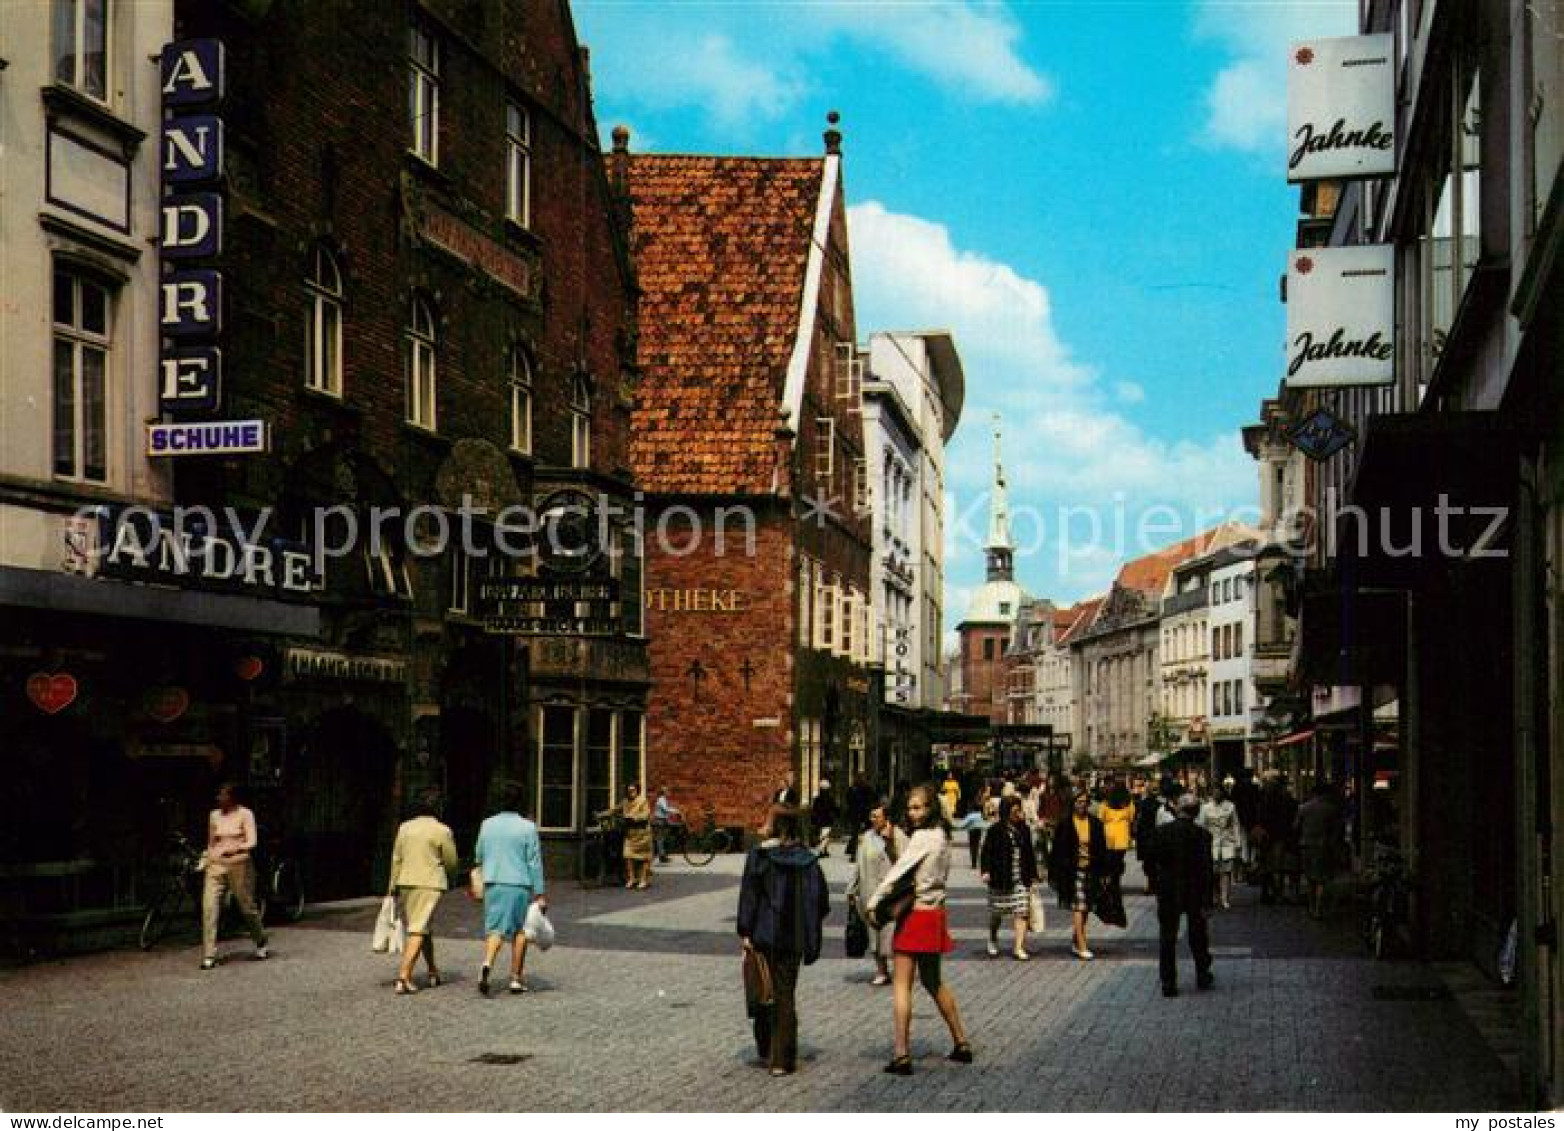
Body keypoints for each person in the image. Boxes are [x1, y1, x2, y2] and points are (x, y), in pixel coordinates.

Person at [865, 783, 972, 1076]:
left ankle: (901, 1053)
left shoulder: (923, 837)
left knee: (901, 985)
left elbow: (898, 873)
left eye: (918, 807)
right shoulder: (942, 836)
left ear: (930, 808)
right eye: (910, 807)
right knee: (934, 982)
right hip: (935, 914)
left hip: (915, 916)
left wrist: (874, 902)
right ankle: (961, 1042)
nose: (913, 813)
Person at [736, 806, 830, 1077]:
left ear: (777, 827)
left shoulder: (760, 857)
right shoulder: (809, 861)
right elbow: (821, 902)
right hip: (795, 936)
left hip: (765, 933)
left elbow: (749, 897)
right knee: (785, 993)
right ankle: (782, 1058)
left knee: (764, 991)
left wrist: (745, 932)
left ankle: (767, 1048)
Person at [474, 781, 548, 996]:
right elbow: (534, 861)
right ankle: (516, 978)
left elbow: (479, 854)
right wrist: (540, 892)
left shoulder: (486, 824)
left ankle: (487, 962)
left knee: (494, 928)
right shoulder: (527, 827)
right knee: (520, 930)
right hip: (519, 884)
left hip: (493, 882)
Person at [387, 787, 459, 994]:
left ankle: (432, 970)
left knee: (422, 925)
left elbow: (396, 858)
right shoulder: (442, 830)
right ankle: (404, 976)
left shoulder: (405, 828)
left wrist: (392, 886)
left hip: (406, 881)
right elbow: (451, 860)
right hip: (430, 883)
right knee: (419, 928)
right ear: (438, 806)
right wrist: (452, 879)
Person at [1144, 794, 1215, 997]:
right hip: (1195, 891)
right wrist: (1208, 899)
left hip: (1168, 890)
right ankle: (1202, 972)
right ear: (1197, 812)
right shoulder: (1203, 835)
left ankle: (1168, 981)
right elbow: (1207, 870)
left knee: (1167, 936)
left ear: (1177, 810)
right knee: (1198, 934)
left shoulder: (1161, 833)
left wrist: (1157, 881)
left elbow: (1149, 862)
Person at [200, 783, 269, 969]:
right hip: (216, 865)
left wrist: (234, 849)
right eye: (218, 795)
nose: (219, 798)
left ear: (232, 798)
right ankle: (209, 954)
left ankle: (260, 940)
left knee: (246, 906)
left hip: (239, 864)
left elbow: (252, 841)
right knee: (209, 907)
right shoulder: (213, 815)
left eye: (223, 795)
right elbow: (211, 841)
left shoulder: (245, 814)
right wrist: (206, 858)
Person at [845, 801, 906, 986]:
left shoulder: (898, 836)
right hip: (869, 892)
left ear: (886, 818)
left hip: (890, 894)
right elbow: (858, 865)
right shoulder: (866, 838)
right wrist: (851, 888)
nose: (872, 820)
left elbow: (906, 862)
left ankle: (899, 969)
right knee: (874, 933)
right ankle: (881, 970)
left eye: (876, 816)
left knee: (891, 932)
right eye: (871, 816)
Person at [1047, 790, 1108, 960]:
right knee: (1079, 907)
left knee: (1086, 907)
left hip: (1092, 869)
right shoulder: (1066, 824)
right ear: (1073, 803)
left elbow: (1102, 848)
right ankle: (1082, 945)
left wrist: (1105, 871)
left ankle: (1075, 939)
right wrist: (1056, 870)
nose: (1082, 805)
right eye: (1078, 801)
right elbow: (1057, 850)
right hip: (1073, 871)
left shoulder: (1095, 823)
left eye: (1084, 801)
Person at [979, 795, 1039, 961]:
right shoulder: (995, 830)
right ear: (1006, 811)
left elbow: (1029, 854)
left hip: (1019, 877)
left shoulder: (1024, 829)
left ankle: (1018, 947)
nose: (1018, 813)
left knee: (1022, 911)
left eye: (1019, 810)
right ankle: (992, 937)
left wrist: (1033, 875)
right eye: (1015, 811)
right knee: (996, 914)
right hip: (1000, 877)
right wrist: (985, 871)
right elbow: (986, 852)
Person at [1296, 782, 1342, 919]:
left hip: (1305, 845)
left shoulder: (1303, 808)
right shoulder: (1331, 809)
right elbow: (1337, 830)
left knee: (1310, 878)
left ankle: (1311, 906)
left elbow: (1296, 826)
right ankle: (1318, 908)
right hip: (1322, 846)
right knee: (1321, 878)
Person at [1253, 772, 1300, 905]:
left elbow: (1260, 817)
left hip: (1267, 837)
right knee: (1278, 867)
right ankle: (1279, 893)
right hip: (1281, 836)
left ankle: (1270, 892)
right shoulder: (1287, 800)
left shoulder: (1264, 800)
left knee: (1268, 866)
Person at [1199, 784, 1245, 910]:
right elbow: (1201, 826)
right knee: (1213, 873)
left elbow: (1235, 824)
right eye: (1214, 792)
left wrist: (1238, 842)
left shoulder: (1230, 806)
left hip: (1226, 842)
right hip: (1211, 843)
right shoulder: (1205, 808)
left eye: (1218, 792)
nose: (1216, 794)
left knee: (1226, 872)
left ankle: (1225, 898)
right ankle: (1214, 896)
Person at [1099, 779, 1136, 902]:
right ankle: (1115, 883)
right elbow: (1131, 818)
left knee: (1109, 861)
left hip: (1108, 835)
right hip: (1123, 836)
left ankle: (1110, 884)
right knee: (1118, 861)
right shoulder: (1129, 803)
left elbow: (1101, 818)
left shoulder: (1105, 803)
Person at [619, 782, 654, 888]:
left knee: (644, 857)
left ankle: (643, 880)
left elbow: (646, 814)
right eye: (629, 791)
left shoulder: (642, 801)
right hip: (630, 834)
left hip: (642, 833)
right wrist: (604, 814)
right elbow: (616, 809)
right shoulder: (625, 802)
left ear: (637, 791)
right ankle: (632, 878)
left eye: (633, 790)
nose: (631, 793)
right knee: (628, 856)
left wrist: (635, 817)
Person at [844, 772, 877, 859]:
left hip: (855, 814)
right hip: (866, 813)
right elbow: (873, 800)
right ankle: (867, 853)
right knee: (868, 834)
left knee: (855, 834)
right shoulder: (868, 788)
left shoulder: (852, 789)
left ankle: (853, 853)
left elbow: (848, 800)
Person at [652, 785, 680, 864]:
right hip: (659, 821)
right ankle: (662, 856)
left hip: (663, 820)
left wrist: (675, 811)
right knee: (660, 838)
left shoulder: (663, 799)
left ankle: (663, 853)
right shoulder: (661, 799)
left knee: (662, 837)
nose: (669, 792)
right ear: (664, 793)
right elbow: (665, 809)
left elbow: (666, 810)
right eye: (667, 791)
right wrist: (676, 811)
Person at [810, 779, 837, 857]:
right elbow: (834, 808)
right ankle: (822, 850)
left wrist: (814, 818)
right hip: (827, 819)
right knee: (825, 835)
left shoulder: (817, 799)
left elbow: (814, 810)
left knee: (823, 835)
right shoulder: (830, 798)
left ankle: (823, 850)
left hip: (820, 819)